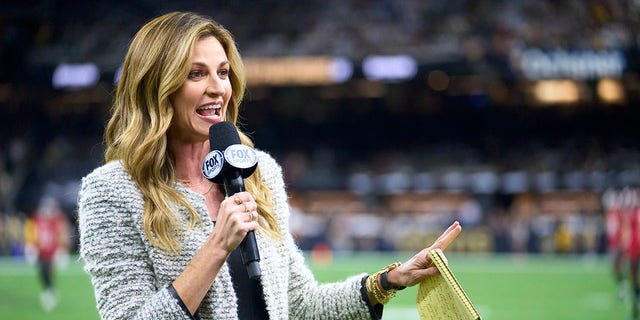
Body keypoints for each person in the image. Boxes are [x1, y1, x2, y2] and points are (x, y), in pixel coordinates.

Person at [77, 11, 462, 320]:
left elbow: (300, 305)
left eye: (223, 72)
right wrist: (216, 247)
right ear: (156, 87)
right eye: (196, 73)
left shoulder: (259, 172)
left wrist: (390, 279)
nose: (218, 88)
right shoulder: (112, 192)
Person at [28, 196, 70, 311]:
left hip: (52, 251)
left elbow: (62, 234)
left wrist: (62, 250)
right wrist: (31, 246)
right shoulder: (36, 218)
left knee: (48, 272)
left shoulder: (57, 219)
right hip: (41, 251)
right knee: (42, 272)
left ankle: (49, 292)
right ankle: (49, 291)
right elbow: (32, 232)